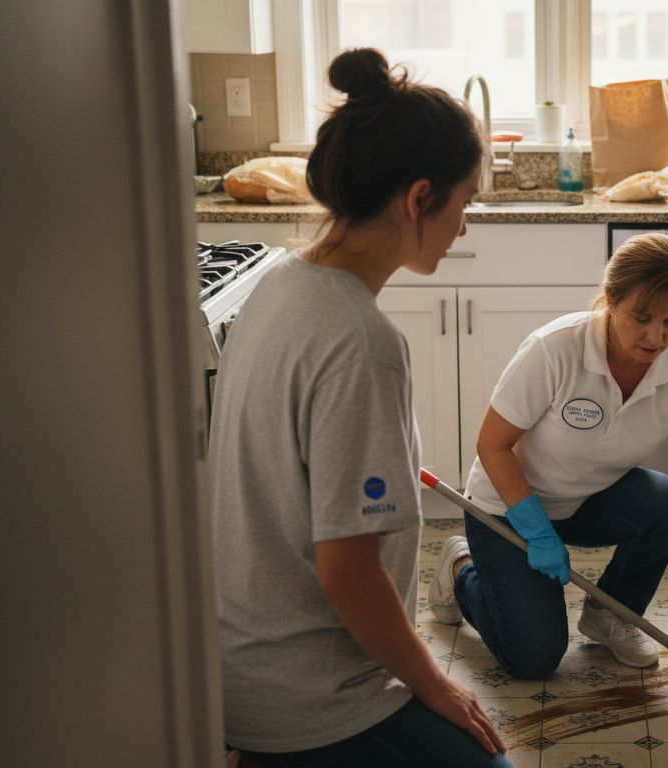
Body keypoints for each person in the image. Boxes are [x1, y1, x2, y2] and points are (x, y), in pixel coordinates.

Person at [209, 48, 511, 767]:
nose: (465, 226)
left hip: (242, 669)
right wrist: (435, 683)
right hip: (311, 700)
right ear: (419, 198)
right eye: (465, 201)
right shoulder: (361, 342)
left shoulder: (282, 281)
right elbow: (348, 574)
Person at [427, 232, 668, 678]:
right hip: (508, 507)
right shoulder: (555, 349)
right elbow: (492, 445)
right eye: (642, 318)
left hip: (589, 500)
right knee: (533, 657)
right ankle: (461, 568)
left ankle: (609, 614)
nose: (656, 337)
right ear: (611, 300)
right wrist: (535, 530)